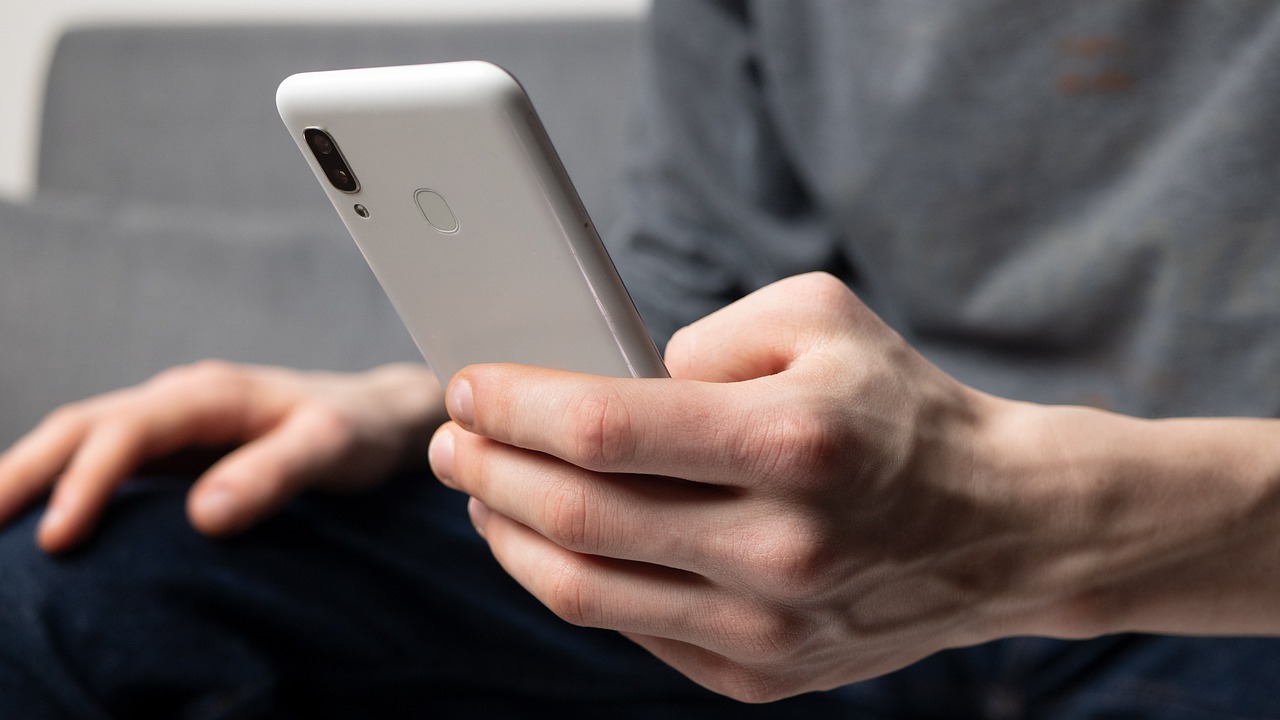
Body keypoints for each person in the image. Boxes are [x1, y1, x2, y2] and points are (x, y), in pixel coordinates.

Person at [3, 0, 1280, 717]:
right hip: (801, 548)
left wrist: (1018, 528)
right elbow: (687, 299)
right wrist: (413, 408)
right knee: (86, 584)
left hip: (1226, 579)